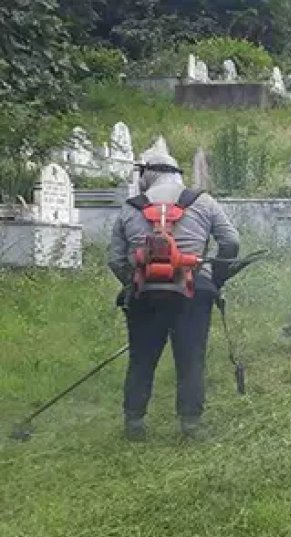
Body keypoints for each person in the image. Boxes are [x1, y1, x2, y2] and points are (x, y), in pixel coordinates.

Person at [107, 148, 240, 441]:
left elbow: (115, 259)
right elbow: (230, 242)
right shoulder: (203, 202)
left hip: (145, 294)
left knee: (141, 358)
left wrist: (132, 282)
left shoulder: (130, 208)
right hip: (193, 292)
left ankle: (134, 423)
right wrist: (214, 278)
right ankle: (191, 424)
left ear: (149, 174)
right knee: (191, 357)